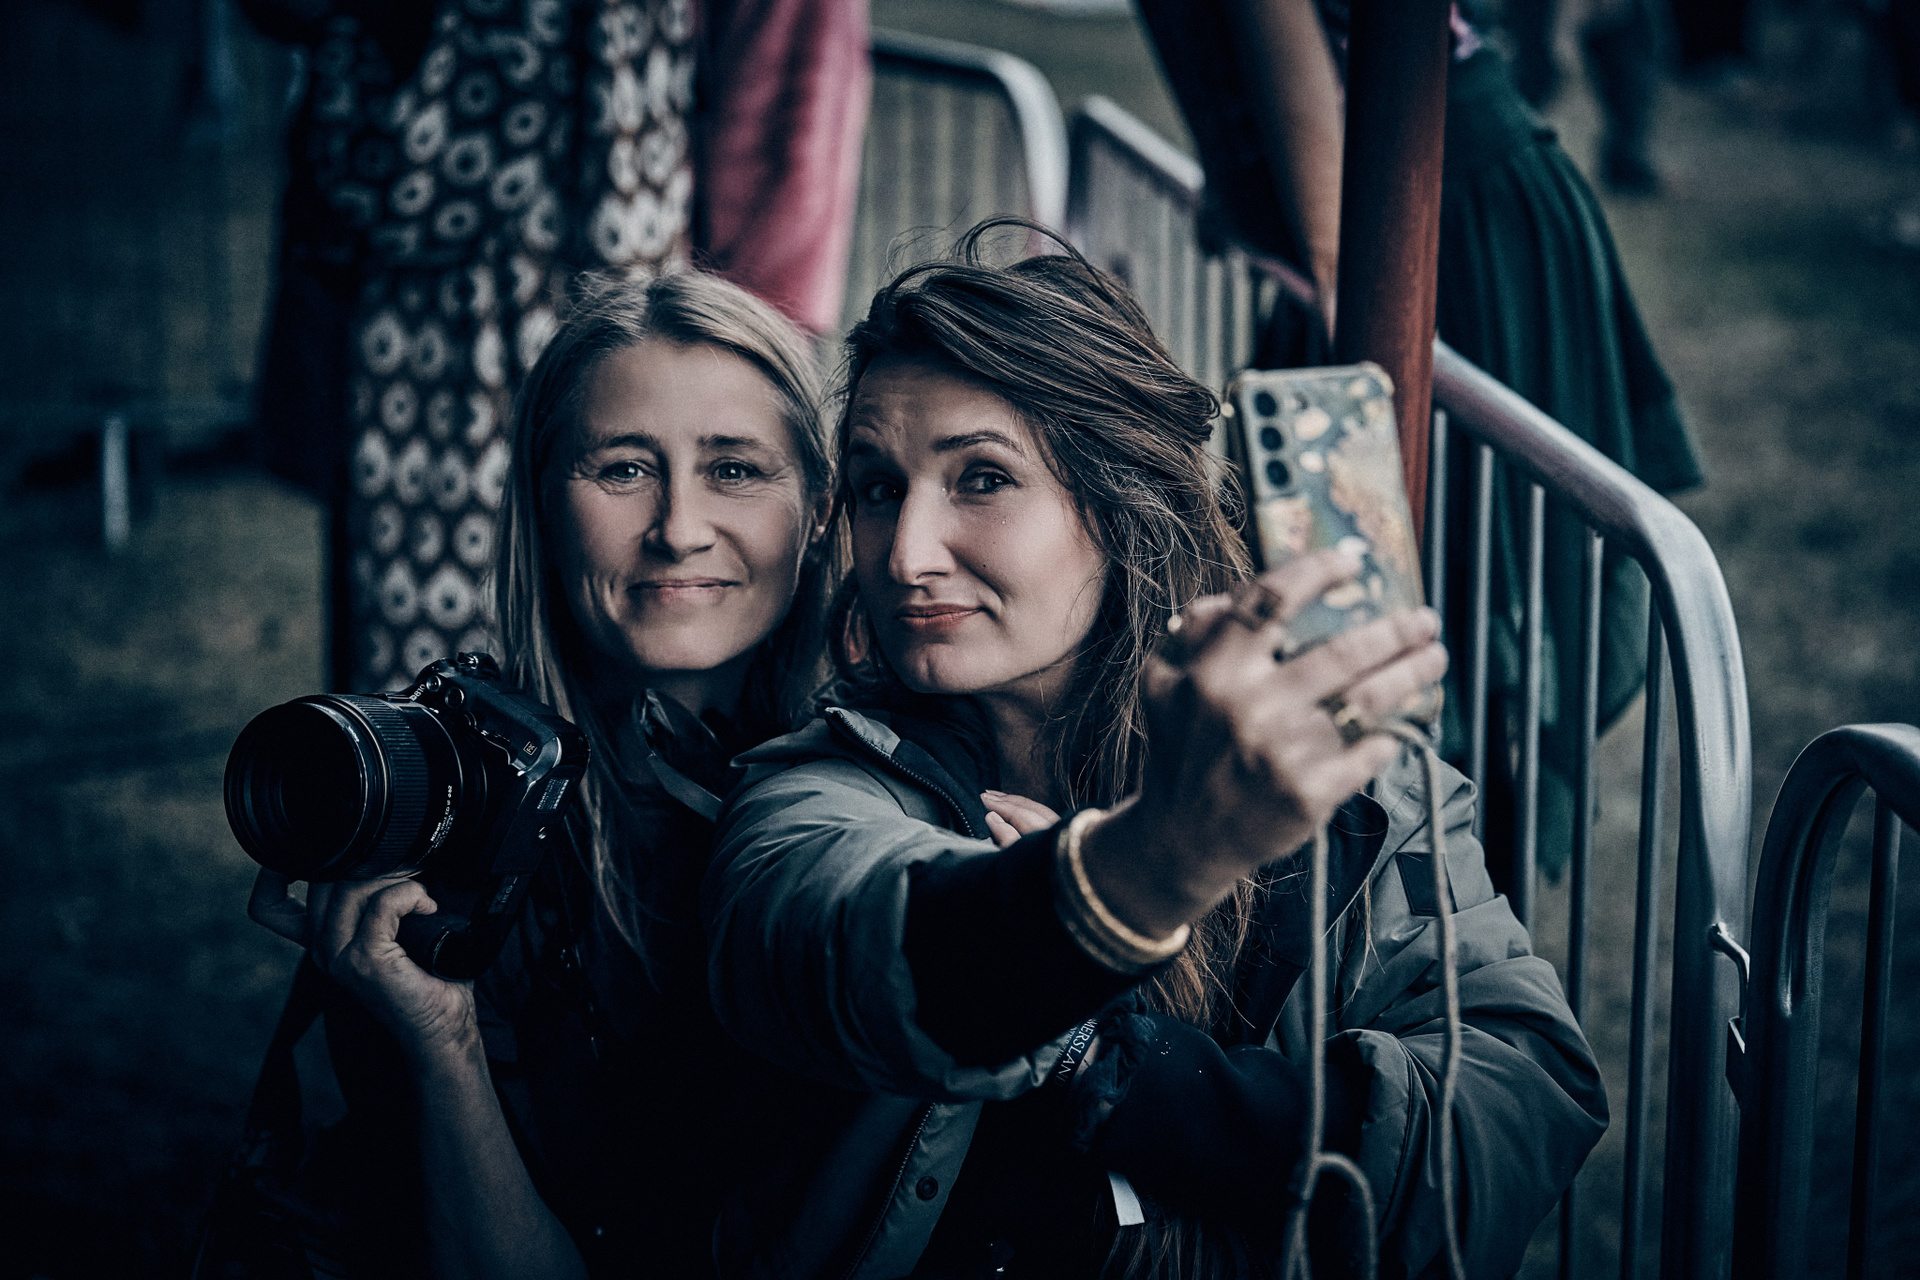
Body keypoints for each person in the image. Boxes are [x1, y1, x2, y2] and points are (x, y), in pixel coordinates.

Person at [702, 223, 1607, 1278]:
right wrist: (1152, 864)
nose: (906, 553)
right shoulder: (817, 785)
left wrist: (1115, 1061)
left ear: (1118, 499)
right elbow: (858, 948)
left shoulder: (1351, 785)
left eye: (981, 478)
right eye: (877, 486)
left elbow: (1516, 1108)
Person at [201, 269, 836, 1278]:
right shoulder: (445, 817)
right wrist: (438, 1041)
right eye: (623, 469)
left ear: (818, 510)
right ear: (541, 503)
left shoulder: (894, 791)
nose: (678, 526)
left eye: (734, 469)